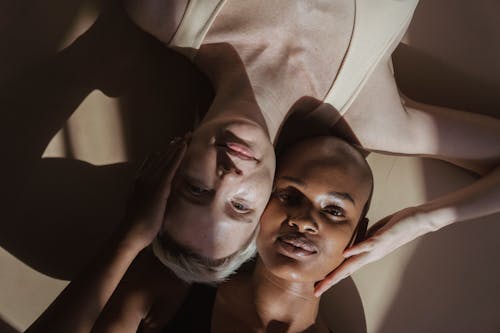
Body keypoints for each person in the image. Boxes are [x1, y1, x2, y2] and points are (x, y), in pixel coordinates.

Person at [126, 0, 500, 290]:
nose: (226, 178)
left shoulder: (165, 10)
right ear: (267, 200)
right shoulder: (367, 116)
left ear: (176, 154)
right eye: (240, 206)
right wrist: (422, 221)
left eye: (197, 188)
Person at [26, 136, 372, 333]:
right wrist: (131, 237)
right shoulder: (170, 291)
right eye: (289, 197)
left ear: (359, 235)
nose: (304, 220)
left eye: (334, 211)